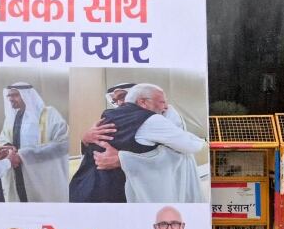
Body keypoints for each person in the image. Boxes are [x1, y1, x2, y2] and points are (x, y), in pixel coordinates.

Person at [69, 83, 206, 203]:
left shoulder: (163, 115)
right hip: (108, 191)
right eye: (115, 99)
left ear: (140, 100)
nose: (120, 102)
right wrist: (85, 139)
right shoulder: (115, 116)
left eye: (123, 96)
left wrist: (123, 159)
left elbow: (178, 153)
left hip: (88, 189)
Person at [0, 82, 69, 202]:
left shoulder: (49, 114)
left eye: (15, 95)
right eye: (9, 96)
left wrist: (25, 155)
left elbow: (62, 144)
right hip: (16, 170)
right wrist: (7, 147)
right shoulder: (12, 117)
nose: (10, 99)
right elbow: (4, 138)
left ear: (27, 95)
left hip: (43, 173)